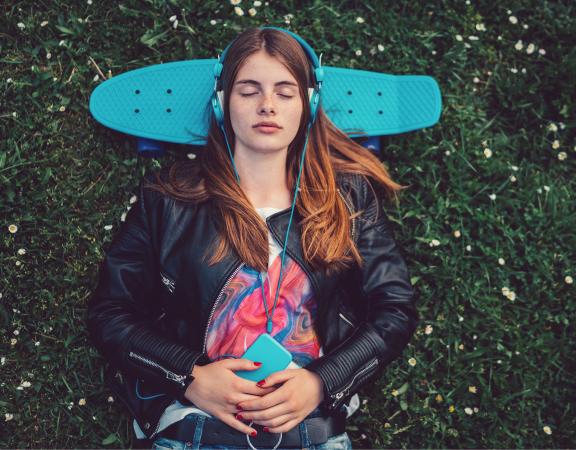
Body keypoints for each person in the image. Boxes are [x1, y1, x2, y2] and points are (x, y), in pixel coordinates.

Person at [86, 26, 418, 450]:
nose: (267, 105)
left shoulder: (348, 198)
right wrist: (188, 376)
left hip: (313, 434)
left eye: (285, 92)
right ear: (222, 105)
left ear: (309, 105)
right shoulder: (167, 197)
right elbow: (110, 313)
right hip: (192, 429)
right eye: (248, 91)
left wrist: (322, 382)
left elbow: (395, 310)